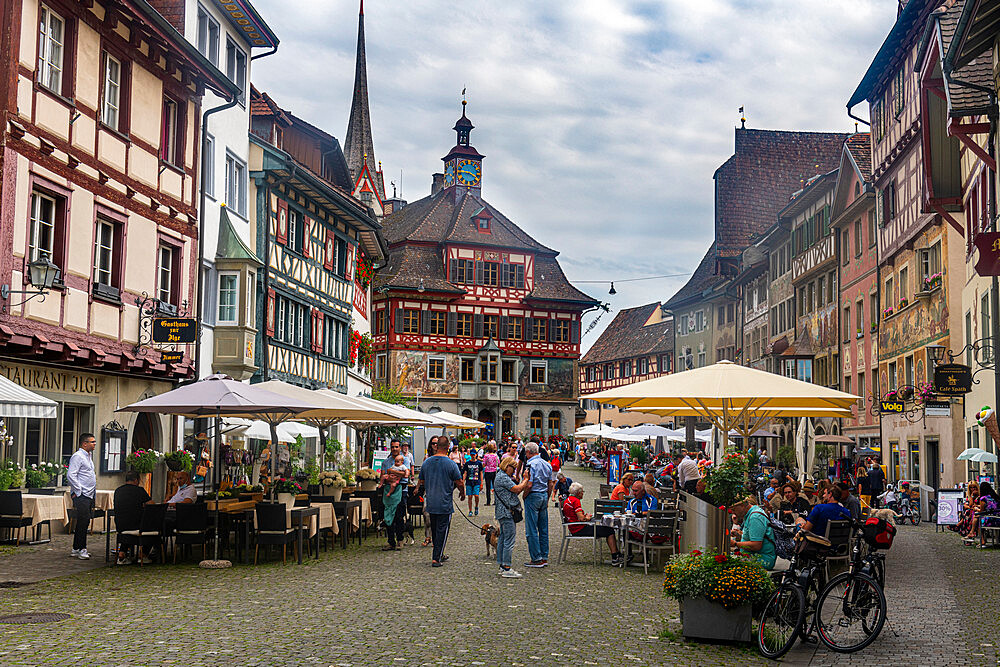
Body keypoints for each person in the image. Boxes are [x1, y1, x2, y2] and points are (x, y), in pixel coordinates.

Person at [419, 436, 465, 567]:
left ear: (437, 446)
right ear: (448, 447)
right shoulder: (450, 463)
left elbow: (421, 480)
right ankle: (436, 558)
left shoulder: (427, 462)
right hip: (444, 502)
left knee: (434, 529)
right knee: (443, 530)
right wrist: (462, 493)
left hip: (431, 501)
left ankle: (438, 554)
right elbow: (460, 482)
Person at [562, 482, 623, 565]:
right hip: (579, 529)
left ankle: (616, 553)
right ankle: (615, 557)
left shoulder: (568, 500)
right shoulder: (576, 501)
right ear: (579, 493)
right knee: (609, 531)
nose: (583, 493)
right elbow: (581, 518)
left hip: (574, 527)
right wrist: (587, 518)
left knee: (606, 529)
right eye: (582, 492)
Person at [494, 454, 532, 577]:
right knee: (509, 540)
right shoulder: (503, 477)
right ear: (507, 466)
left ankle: (502, 565)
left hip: (502, 511)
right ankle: (506, 567)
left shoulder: (500, 475)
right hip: (506, 512)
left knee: (503, 539)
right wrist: (526, 479)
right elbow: (517, 489)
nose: (514, 471)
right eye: (513, 468)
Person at [522, 443, 555, 568]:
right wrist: (547, 497)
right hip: (543, 495)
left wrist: (524, 495)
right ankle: (544, 556)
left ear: (529, 452)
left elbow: (529, 484)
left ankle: (536, 558)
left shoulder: (531, 464)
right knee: (543, 528)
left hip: (533, 495)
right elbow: (551, 484)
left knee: (531, 529)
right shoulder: (547, 464)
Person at [67, 432, 98, 560]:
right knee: (83, 521)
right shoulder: (78, 456)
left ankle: (76, 548)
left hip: (89, 494)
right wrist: (79, 491)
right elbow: (71, 475)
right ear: (84, 444)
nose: (95, 444)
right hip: (83, 494)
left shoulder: (88, 456)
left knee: (84, 521)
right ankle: (82, 548)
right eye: (92, 442)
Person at [113, 470, 151, 565]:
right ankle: (143, 555)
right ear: (136, 480)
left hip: (120, 525)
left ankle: (122, 553)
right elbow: (152, 505)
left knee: (129, 527)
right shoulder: (139, 490)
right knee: (151, 527)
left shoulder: (118, 491)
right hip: (137, 525)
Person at [729, 496, 777, 569]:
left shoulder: (755, 517)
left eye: (734, 509)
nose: (733, 513)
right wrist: (739, 536)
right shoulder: (750, 514)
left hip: (763, 559)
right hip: (754, 557)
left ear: (742, 505)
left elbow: (756, 545)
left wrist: (735, 544)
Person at [463, 449, 484, 516]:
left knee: (476, 495)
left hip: (476, 481)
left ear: (476, 455)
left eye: (474, 455)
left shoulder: (479, 463)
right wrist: (463, 481)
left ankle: (476, 506)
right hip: (469, 482)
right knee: (469, 496)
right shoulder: (467, 463)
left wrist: (482, 483)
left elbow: (481, 473)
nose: (472, 456)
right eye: (471, 455)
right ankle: (470, 510)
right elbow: (465, 473)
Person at [482, 441, 500, 506]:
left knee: (488, 487)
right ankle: (496, 500)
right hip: (494, 471)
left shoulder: (486, 456)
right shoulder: (495, 455)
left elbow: (484, 463)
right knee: (495, 486)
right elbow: (498, 463)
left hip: (487, 471)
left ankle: (488, 501)